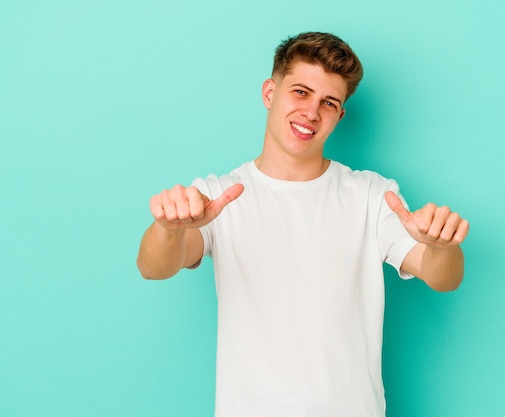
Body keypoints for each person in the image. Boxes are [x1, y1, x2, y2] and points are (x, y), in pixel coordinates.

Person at [137, 32, 469, 417]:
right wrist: (169, 228)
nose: (312, 112)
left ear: (340, 116)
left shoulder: (370, 195)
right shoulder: (217, 196)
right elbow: (153, 268)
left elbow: (443, 277)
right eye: (300, 92)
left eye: (329, 102)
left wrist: (443, 246)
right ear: (269, 93)